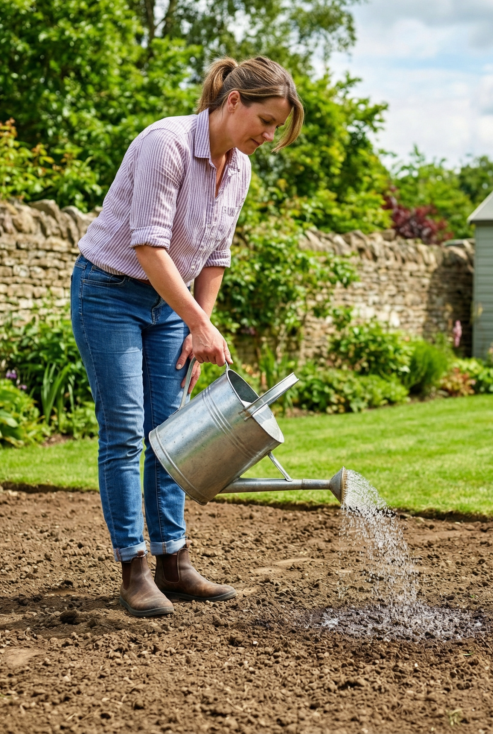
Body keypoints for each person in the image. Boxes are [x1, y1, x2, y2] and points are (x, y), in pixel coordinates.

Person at [70, 56, 304, 617]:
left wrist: (198, 322)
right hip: (110, 291)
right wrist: (200, 323)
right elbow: (149, 245)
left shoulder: (240, 168)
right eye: (265, 121)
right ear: (232, 102)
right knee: (126, 431)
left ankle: (174, 562)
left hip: (170, 304)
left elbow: (214, 256)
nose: (269, 136)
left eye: (277, 129)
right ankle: (135, 568)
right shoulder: (166, 143)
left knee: (170, 435)